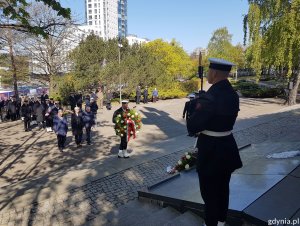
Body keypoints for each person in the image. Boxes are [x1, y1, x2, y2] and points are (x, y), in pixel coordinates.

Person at [187, 58, 243, 226]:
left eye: (209, 71)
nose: (207, 74)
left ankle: (211, 223)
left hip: (211, 148)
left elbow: (193, 127)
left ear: (215, 73)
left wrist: (192, 108)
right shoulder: (232, 94)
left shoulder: (211, 96)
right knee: (223, 187)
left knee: (209, 191)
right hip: (227, 144)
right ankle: (221, 220)